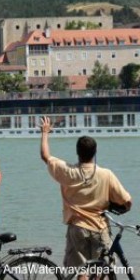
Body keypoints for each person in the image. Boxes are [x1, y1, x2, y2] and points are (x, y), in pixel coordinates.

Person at [39, 116, 132, 271]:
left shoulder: (68, 172)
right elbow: (127, 202)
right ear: (95, 152)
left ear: (77, 152)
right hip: (100, 228)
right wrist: (115, 208)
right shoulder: (106, 174)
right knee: (101, 271)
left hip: (77, 228)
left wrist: (45, 133)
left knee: (80, 271)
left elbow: (45, 156)